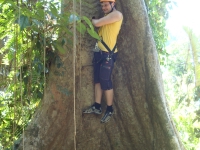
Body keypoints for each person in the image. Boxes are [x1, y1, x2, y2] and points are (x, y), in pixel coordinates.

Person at [83, 0, 123, 123]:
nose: (103, 7)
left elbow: (97, 23)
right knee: (97, 80)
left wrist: (92, 19)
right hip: (99, 53)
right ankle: (97, 106)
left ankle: (110, 109)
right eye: (102, 5)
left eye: (106, 5)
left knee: (105, 81)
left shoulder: (117, 15)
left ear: (113, 4)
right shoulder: (107, 16)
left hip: (108, 55)